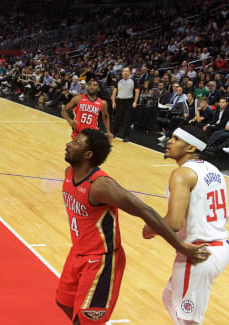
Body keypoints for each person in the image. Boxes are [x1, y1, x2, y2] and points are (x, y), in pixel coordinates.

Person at [57, 128, 209, 325]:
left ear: (88, 155)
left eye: (75, 143)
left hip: (101, 260)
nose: (69, 144)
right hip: (77, 253)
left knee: (86, 321)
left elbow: (146, 211)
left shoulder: (101, 185)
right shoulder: (69, 173)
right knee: (63, 302)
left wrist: (181, 247)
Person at [143, 126, 228, 325]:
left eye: (176, 138)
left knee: (186, 320)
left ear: (190, 147)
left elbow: (174, 222)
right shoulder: (213, 169)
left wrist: (151, 228)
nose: (169, 141)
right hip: (219, 246)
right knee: (169, 297)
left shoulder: (182, 174)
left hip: (198, 251)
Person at [111, 67, 139, 141]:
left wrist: (135, 102)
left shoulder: (133, 81)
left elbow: (137, 92)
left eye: (127, 71)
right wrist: (113, 102)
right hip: (119, 101)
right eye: (124, 71)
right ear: (122, 72)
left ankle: (126, 136)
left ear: (129, 72)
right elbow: (114, 92)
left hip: (129, 102)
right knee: (117, 119)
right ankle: (113, 133)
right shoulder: (119, 81)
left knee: (127, 120)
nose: (125, 73)